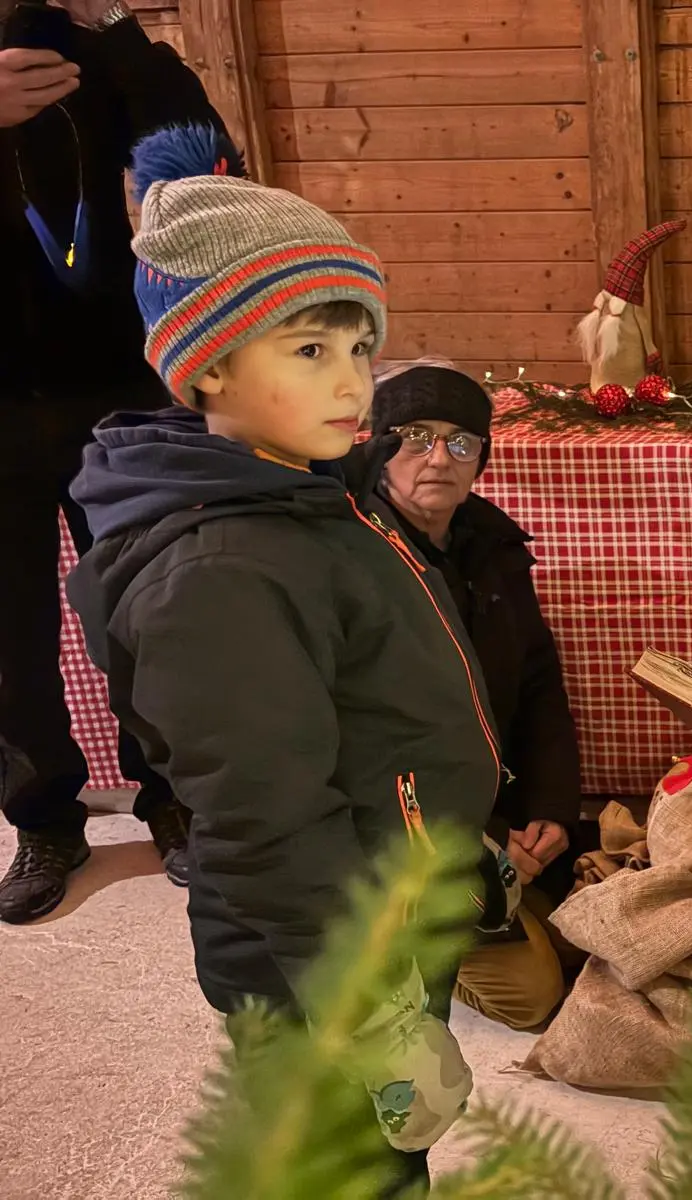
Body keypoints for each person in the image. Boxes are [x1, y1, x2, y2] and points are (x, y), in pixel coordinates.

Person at [65, 126, 505, 1184]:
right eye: (309, 350)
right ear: (206, 361)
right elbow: (264, 819)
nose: (354, 384)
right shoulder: (220, 570)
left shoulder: (314, 499)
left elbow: (385, 707)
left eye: (361, 348)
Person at [0, 0, 225, 921]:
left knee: (152, 612)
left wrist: (117, 21)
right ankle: (45, 820)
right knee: (8, 633)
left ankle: (175, 802)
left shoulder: (110, 52)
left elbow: (211, 158)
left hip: (120, 390)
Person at [349, 363, 584, 1031]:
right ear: (377, 446)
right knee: (532, 997)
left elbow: (540, 686)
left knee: (588, 932)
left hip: (499, 804)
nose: (438, 458)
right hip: (405, 835)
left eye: (461, 442)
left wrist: (550, 809)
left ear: (481, 459)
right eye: (415, 436)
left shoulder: (493, 547)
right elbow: (368, 749)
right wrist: (490, 846)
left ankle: (508, 887)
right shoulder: (354, 564)